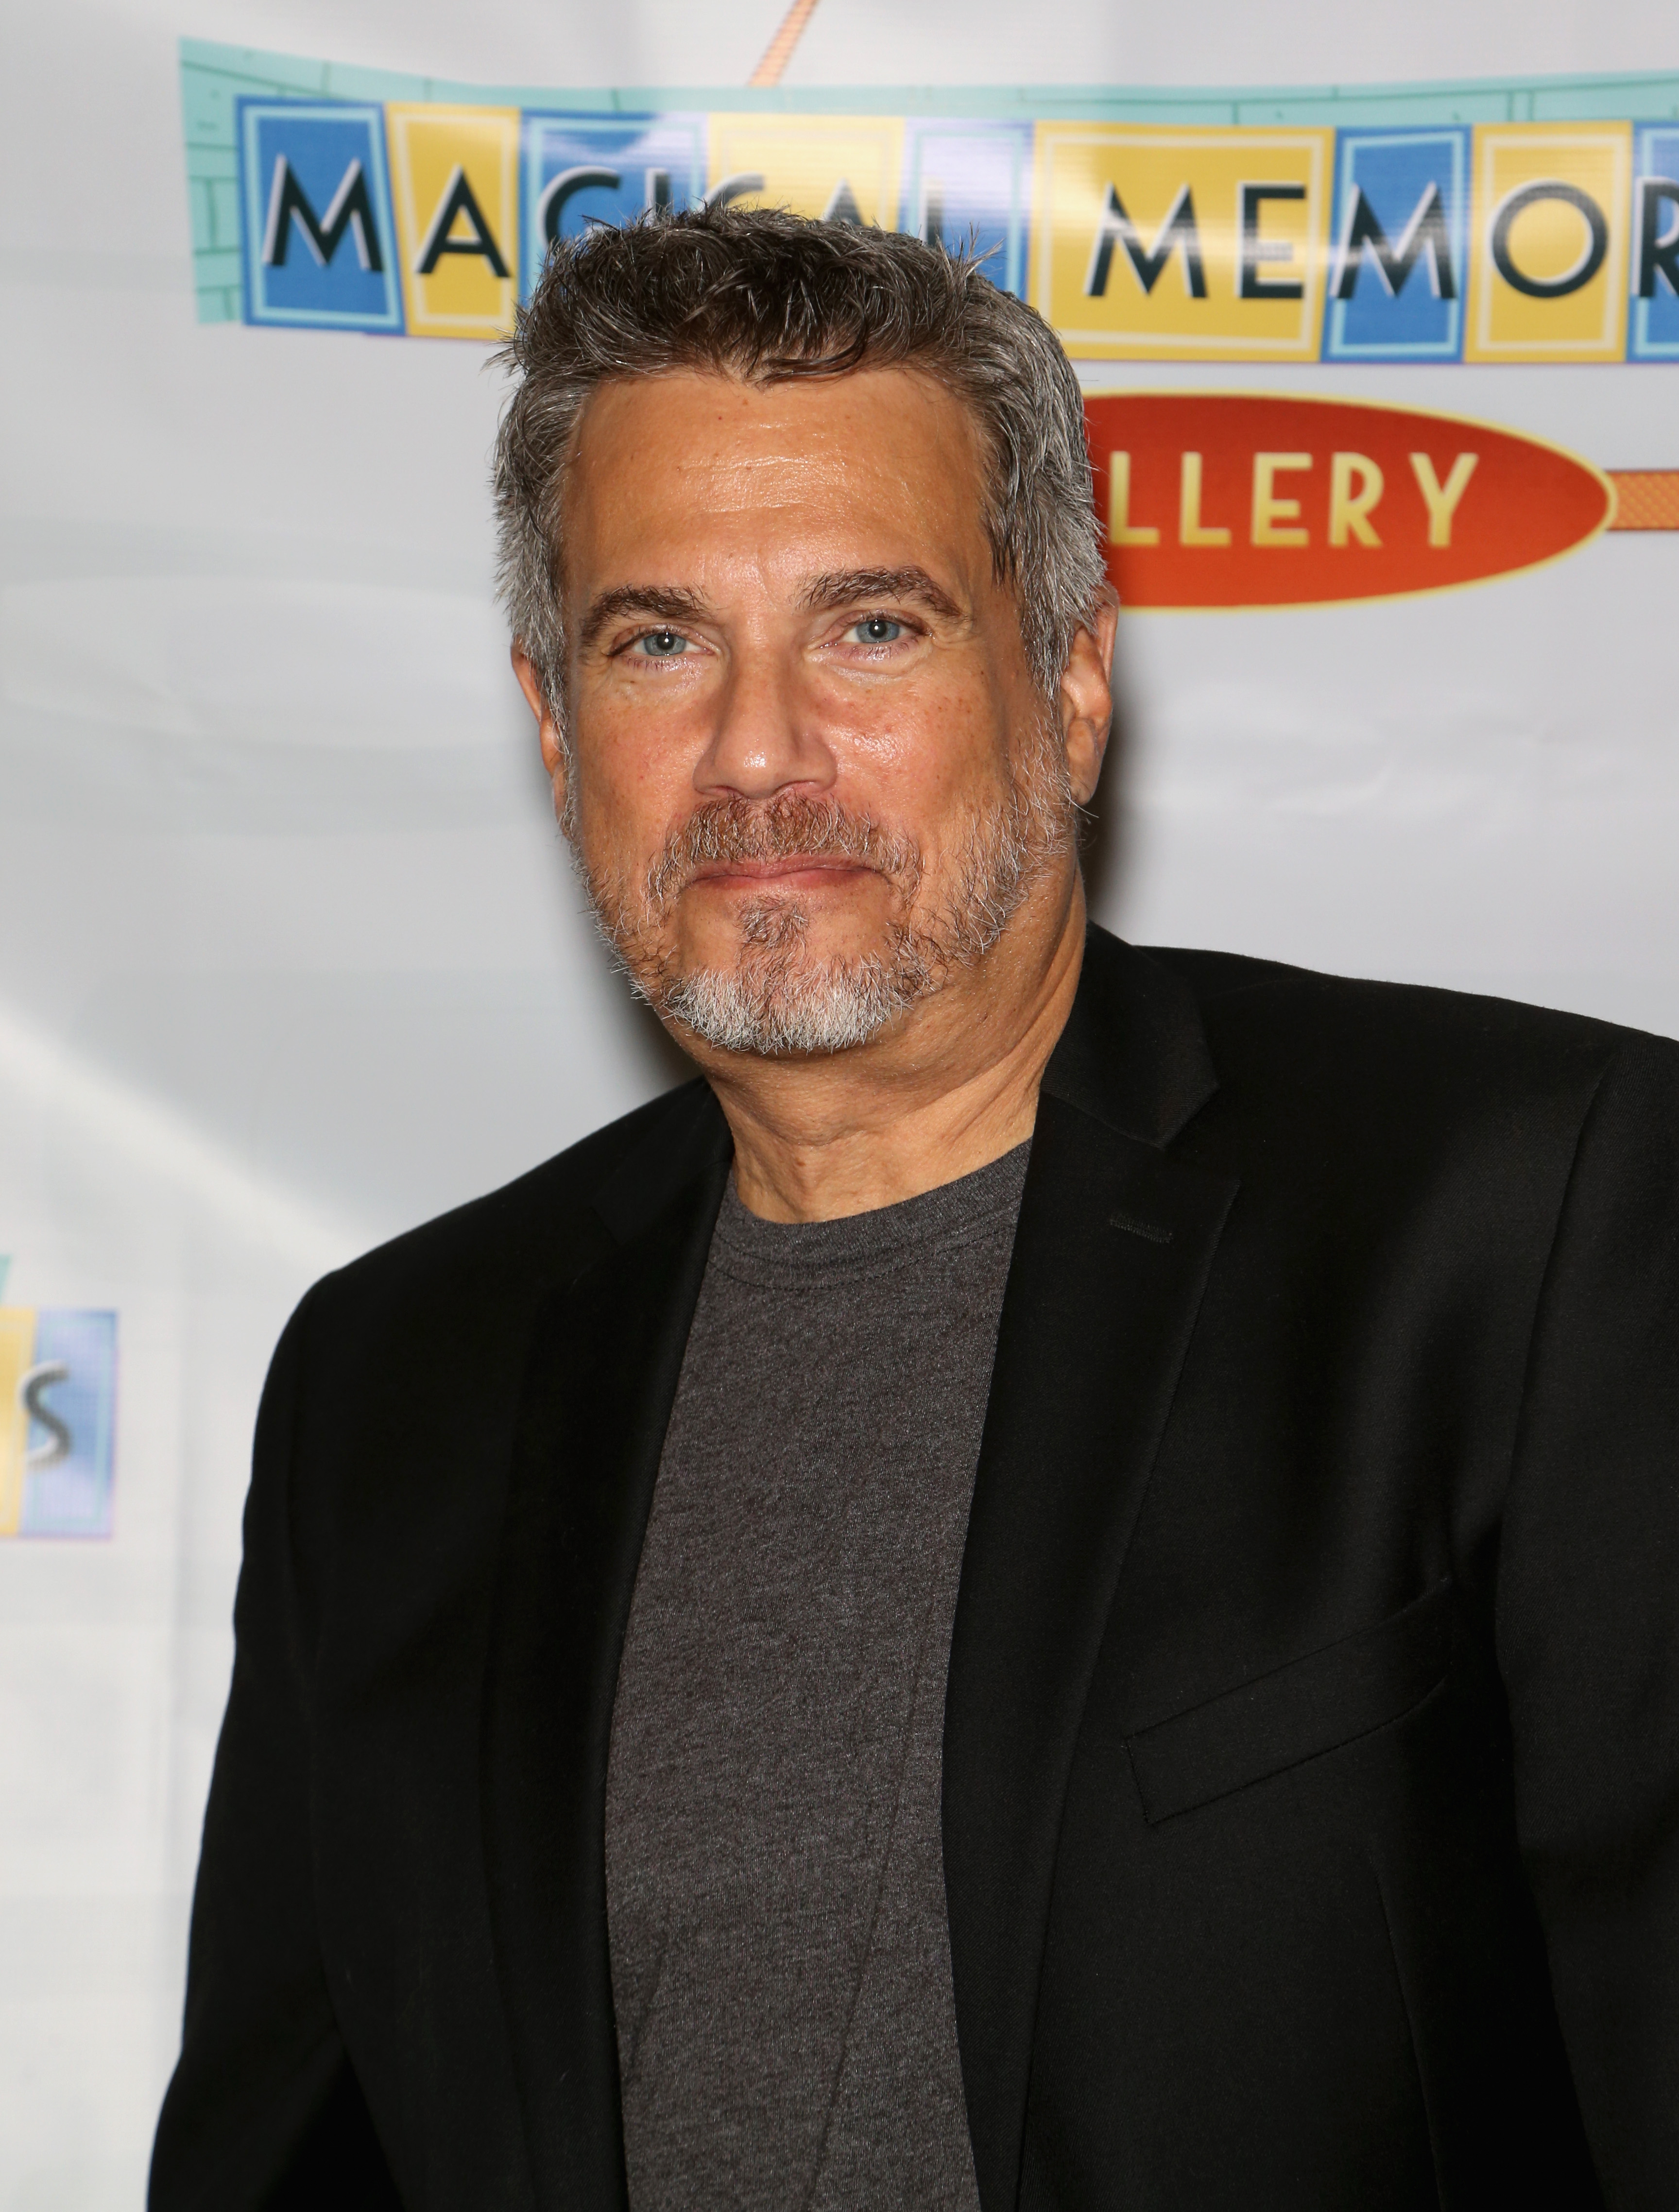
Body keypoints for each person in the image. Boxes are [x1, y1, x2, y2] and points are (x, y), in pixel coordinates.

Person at [150, 207, 1678, 2212]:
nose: (757, 750)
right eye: (659, 638)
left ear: (1067, 685)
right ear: (552, 727)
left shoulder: (1515, 1220)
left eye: (873, 624)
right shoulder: (396, 1380)